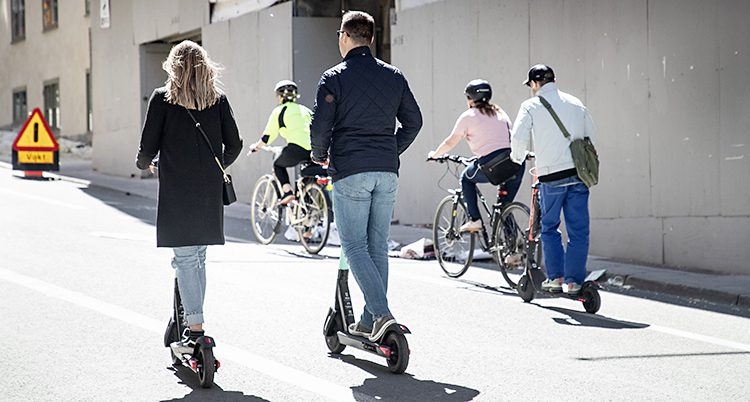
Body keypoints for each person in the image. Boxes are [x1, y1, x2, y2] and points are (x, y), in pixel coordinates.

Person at [310, 11, 422, 342]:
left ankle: (382, 314)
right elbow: (414, 123)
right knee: (377, 247)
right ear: (371, 39)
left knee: (354, 245)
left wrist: (319, 155)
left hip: (350, 171)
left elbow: (320, 126)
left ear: (344, 37)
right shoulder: (394, 76)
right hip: (386, 172)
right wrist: (390, 149)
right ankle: (369, 320)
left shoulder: (333, 77)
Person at [135, 40, 243, 351]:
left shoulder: (161, 99)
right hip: (208, 190)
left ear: (174, 67)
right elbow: (234, 145)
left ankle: (195, 330)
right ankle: (191, 320)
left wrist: (145, 164)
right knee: (198, 259)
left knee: (185, 259)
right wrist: (216, 165)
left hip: (177, 191)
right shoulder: (218, 100)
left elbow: (147, 147)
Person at [510, 64, 596, 294]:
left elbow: (518, 136)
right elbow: (591, 137)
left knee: (549, 228)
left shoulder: (530, 106)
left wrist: (517, 158)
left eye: (531, 85)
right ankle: (574, 282)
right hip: (578, 175)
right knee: (579, 231)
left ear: (536, 84)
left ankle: (555, 278)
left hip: (551, 176)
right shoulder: (576, 103)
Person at [427, 79, 525, 233]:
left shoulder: (469, 116)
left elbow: (451, 141)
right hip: (515, 163)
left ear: (471, 99)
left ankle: (475, 220)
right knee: (504, 207)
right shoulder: (500, 112)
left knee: (466, 179)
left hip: (492, 165)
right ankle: (513, 250)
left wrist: (435, 155)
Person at [249, 80, 314, 204]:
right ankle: (307, 208)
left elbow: (268, 136)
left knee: (277, 164)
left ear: (280, 97)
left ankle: (287, 192)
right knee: (306, 177)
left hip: (296, 149)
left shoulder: (280, 110)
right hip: (314, 151)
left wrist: (257, 146)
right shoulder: (305, 110)